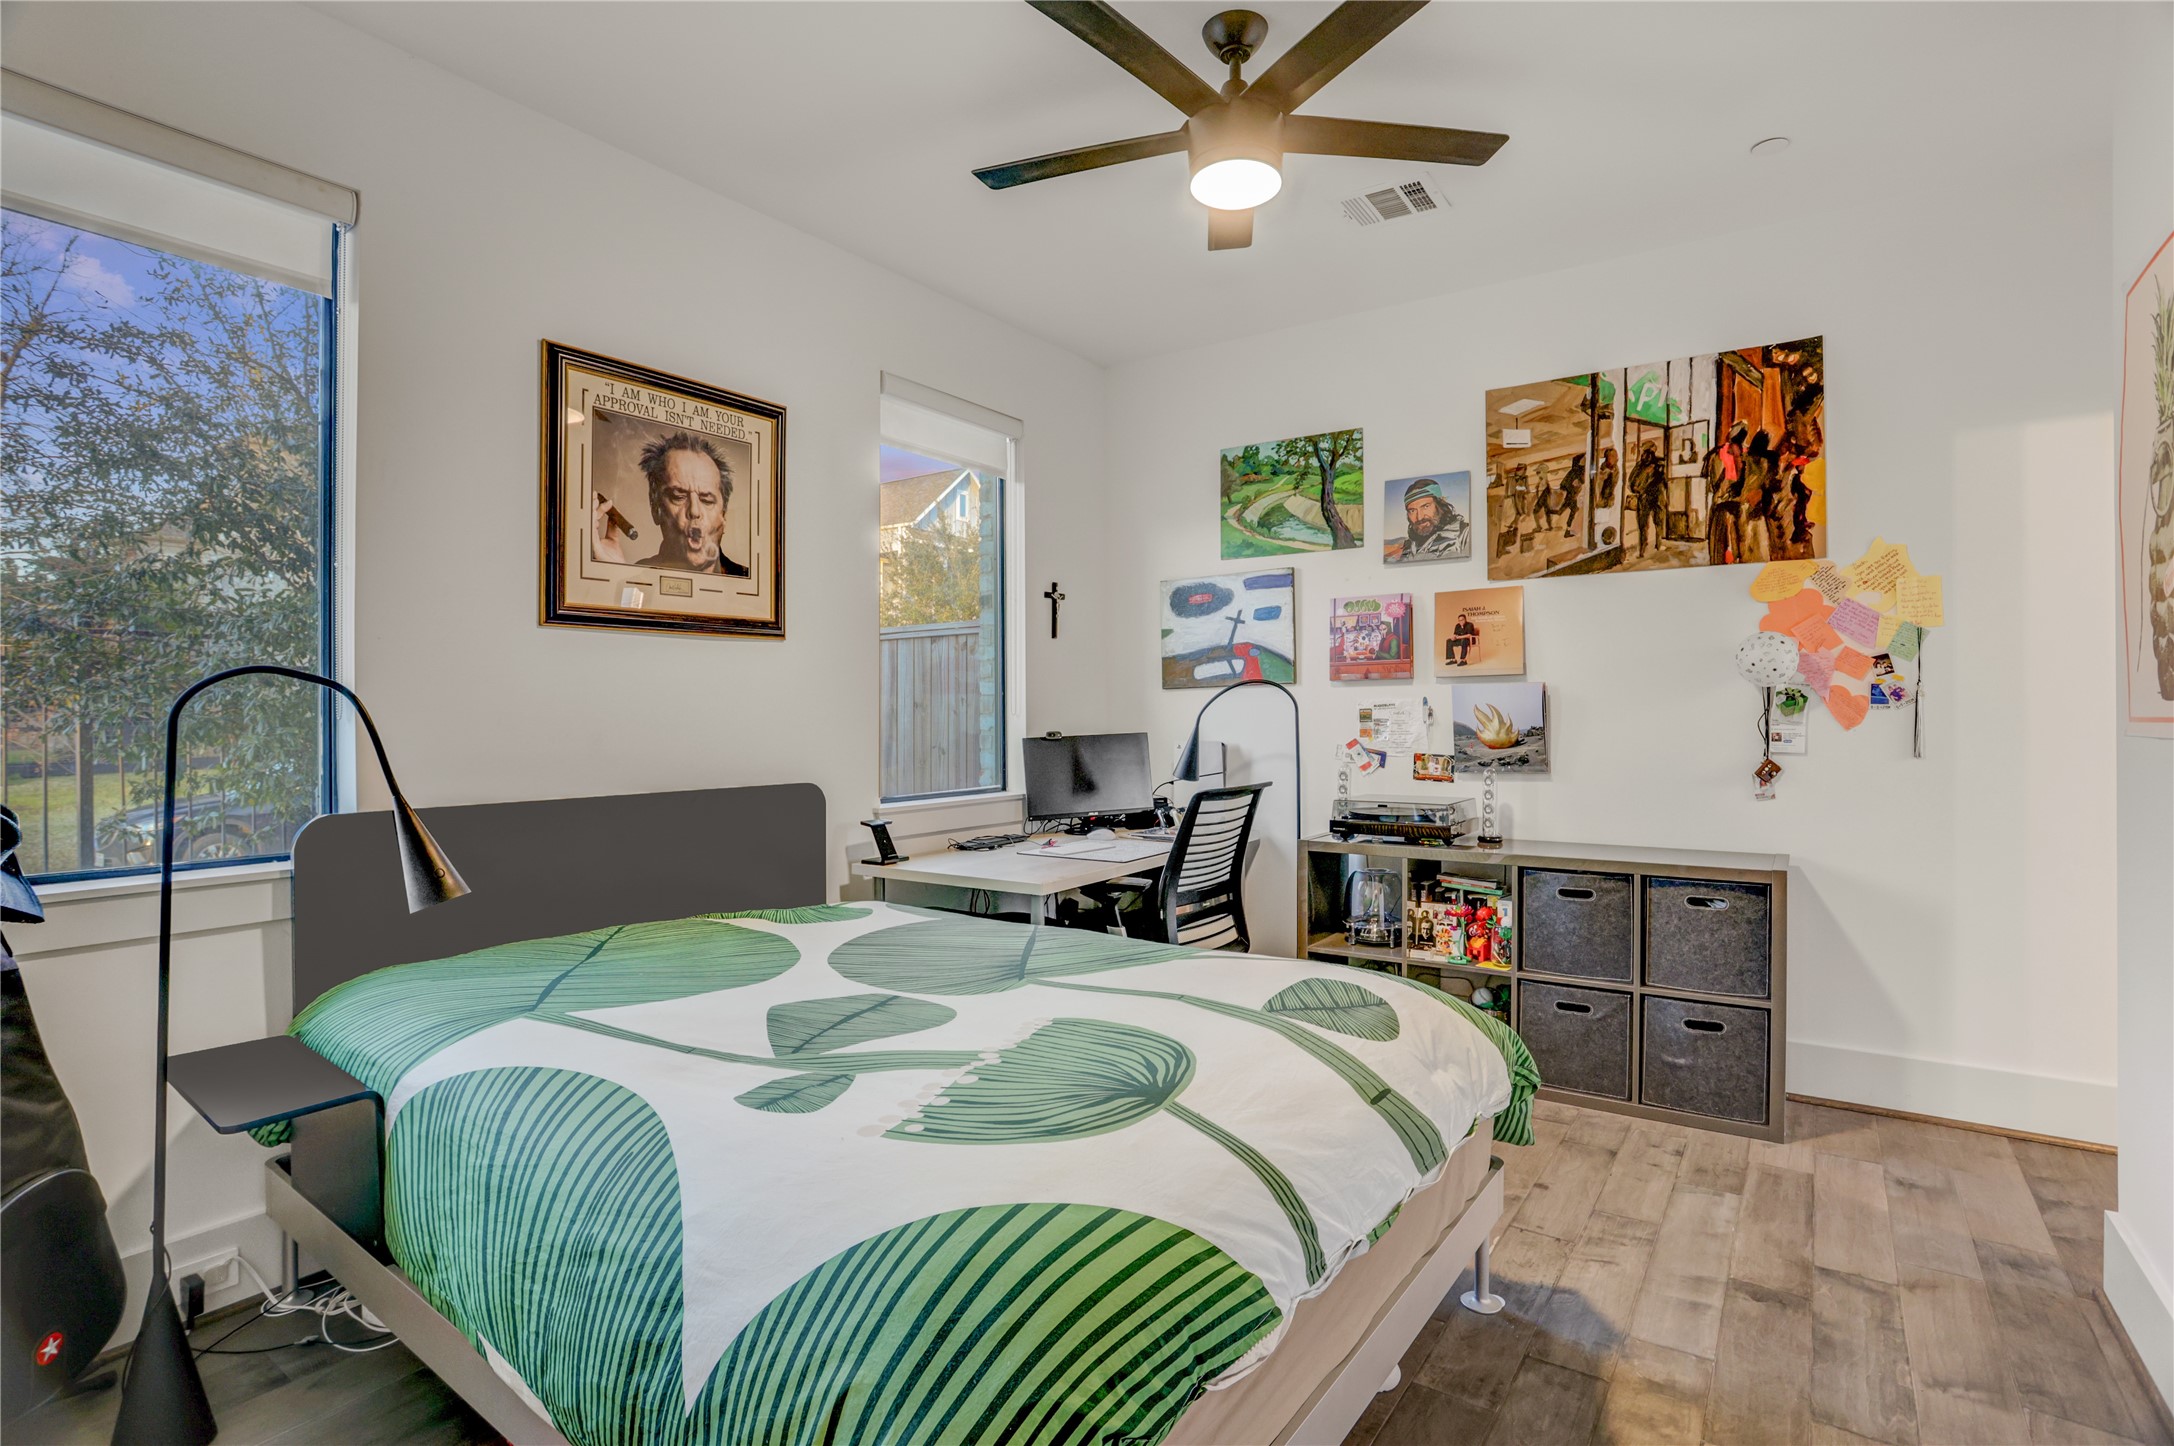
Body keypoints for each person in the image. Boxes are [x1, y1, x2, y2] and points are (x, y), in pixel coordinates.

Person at [591, 431, 749, 576]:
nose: (694, 511)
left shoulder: (747, 581)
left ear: (723, 515)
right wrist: (614, 575)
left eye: (707, 500)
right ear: (655, 508)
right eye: (678, 496)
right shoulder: (635, 578)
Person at [1387, 477, 1469, 561]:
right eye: (1412, 510)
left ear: (1440, 505)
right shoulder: (1409, 546)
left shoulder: (1465, 534)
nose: (1419, 517)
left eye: (1425, 506)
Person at [1704, 422, 1748, 566]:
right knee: (1726, 544)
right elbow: (1716, 481)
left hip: (1729, 503)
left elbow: (1714, 482)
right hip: (1728, 504)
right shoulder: (1723, 454)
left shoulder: (1728, 454)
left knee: (1728, 543)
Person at [1629, 442, 1668, 558]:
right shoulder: (1641, 466)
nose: (1647, 456)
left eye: (1650, 453)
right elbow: (1632, 482)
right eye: (1646, 453)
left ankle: (1657, 544)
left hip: (1656, 496)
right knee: (1643, 524)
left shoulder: (1658, 464)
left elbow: (1663, 480)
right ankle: (1643, 549)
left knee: (1658, 521)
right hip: (1646, 497)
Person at [1554, 454, 1586, 537]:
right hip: (1572, 493)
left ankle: (1557, 512)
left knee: (1567, 506)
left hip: (1571, 492)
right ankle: (1567, 530)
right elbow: (1577, 481)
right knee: (1573, 509)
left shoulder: (1576, 470)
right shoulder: (1578, 473)